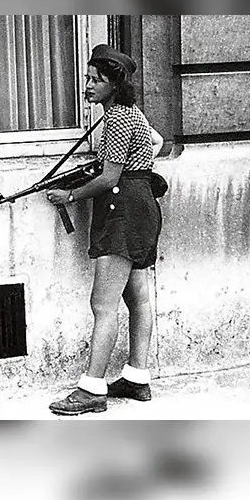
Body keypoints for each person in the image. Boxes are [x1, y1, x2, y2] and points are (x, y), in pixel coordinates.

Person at [45, 44, 164, 415]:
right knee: (138, 298)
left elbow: (109, 176)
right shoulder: (133, 114)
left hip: (122, 210)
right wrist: (138, 163)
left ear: (115, 84)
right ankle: (137, 377)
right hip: (143, 204)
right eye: (87, 78)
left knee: (103, 304)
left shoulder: (115, 119)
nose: (87, 85)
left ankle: (92, 389)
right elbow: (156, 142)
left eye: (96, 80)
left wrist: (70, 195)